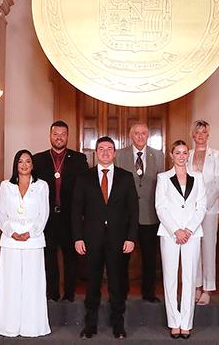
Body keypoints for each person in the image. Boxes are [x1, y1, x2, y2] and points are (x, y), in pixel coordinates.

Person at [72, 136, 139, 339]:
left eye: (109, 149)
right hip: (91, 239)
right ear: (96, 153)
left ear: (115, 153)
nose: (105, 152)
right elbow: (76, 210)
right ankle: (90, 325)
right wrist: (78, 238)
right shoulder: (84, 177)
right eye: (101, 149)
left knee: (117, 283)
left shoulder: (126, 177)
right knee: (92, 283)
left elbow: (133, 210)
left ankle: (118, 325)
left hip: (119, 239)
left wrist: (131, 237)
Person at [0, 149, 51, 337]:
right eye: (20, 161)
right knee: (10, 283)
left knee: (32, 284)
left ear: (32, 165)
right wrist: (12, 232)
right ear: (15, 165)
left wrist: (31, 233)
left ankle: (31, 327)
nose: (24, 165)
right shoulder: (5, 186)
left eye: (27, 161)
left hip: (33, 240)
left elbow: (44, 214)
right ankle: (8, 326)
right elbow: (1, 214)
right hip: (10, 241)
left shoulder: (41, 186)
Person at [155, 140, 207, 339]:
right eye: (178, 152)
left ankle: (186, 322)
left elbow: (202, 206)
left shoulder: (198, 177)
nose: (182, 156)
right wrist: (176, 230)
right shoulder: (163, 178)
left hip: (192, 234)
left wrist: (188, 229)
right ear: (171, 155)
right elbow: (160, 207)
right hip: (170, 233)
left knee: (189, 277)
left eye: (185, 152)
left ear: (188, 155)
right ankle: (174, 321)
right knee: (170, 277)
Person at [32, 121, 89, 302]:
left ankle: (70, 293)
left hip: (70, 216)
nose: (59, 137)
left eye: (63, 134)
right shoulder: (38, 159)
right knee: (49, 256)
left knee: (70, 256)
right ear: (50, 136)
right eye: (56, 134)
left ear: (67, 137)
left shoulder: (79, 159)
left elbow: (85, 189)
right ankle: (52, 293)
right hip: (46, 217)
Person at [115, 122, 165, 303]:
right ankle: (121, 291)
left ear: (148, 135)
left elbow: (162, 185)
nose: (140, 136)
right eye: (136, 133)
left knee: (149, 258)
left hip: (150, 215)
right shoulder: (119, 155)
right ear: (130, 136)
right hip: (125, 216)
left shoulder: (158, 156)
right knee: (122, 258)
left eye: (144, 133)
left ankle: (148, 292)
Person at [186, 120, 219, 306]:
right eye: (197, 132)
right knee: (194, 248)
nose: (200, 135)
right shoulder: (187, 154)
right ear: (193, 135)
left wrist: (204, 204)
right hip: (190, 209)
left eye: (204, 132)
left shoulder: (215, 154)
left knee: (208, 247)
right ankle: (196, 286)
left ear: (208, 134)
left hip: (209, 208)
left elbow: (218, 181)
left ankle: (208, 288)